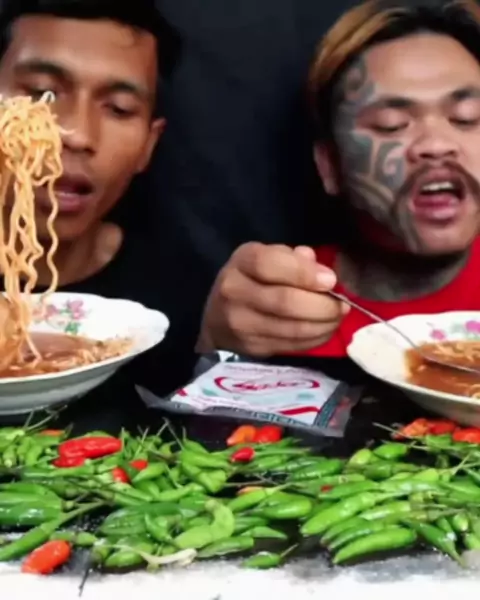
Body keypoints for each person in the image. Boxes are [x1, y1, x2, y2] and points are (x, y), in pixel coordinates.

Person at [200, 0, 480, 358]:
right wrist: (216, 346)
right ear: (329, 165)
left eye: (467, 117)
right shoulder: (279, 302)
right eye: (391, 125)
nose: (437, 145)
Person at [0, 0, 200, 402]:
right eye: (41, 92)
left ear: (149, 145)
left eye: (119, 109)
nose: (77, 134)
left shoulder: (180, 300)